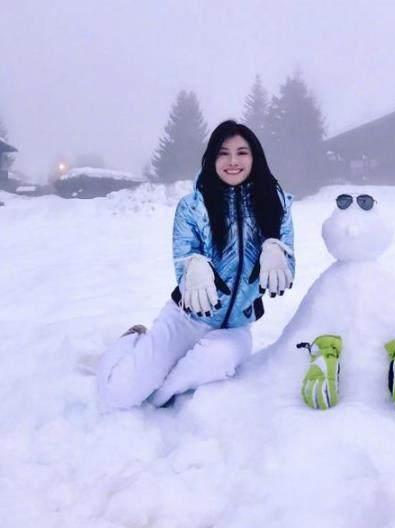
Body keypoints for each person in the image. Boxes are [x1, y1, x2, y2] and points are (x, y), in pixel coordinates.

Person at [97, 120, 295, 409]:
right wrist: (193, 266)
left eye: (242, 152)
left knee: (214, 361)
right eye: (223, 153)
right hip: (185, 320)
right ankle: (132, 340)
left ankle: (160, 394)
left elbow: (288, 265)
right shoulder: (193, 206)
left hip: (235, 328)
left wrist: (277, 250)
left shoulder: (276, 203)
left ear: (255, 157)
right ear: (212, 158)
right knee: (118, 395)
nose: (232, 161)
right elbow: (182, 255)